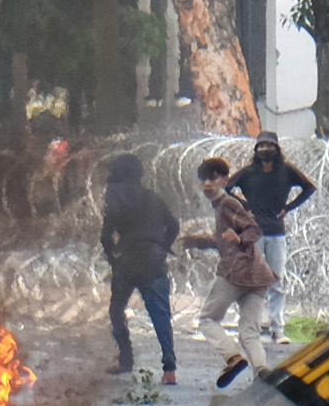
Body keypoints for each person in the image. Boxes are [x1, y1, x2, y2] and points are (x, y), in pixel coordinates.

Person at [182, 154, 276, 388]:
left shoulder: (227, 203)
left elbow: (254, 230)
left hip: (237, 272)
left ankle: (233, 357)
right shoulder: (222, 205)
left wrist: (240, 238)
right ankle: (263, 372)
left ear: (225, 180)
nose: (207, 184)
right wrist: (201, 241)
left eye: (213, 179)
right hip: (258, 275)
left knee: (207, 319)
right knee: (249, 332)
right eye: (204, 179)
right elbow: (228, 238)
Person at [221, 133, 318, 344]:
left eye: (269, 146)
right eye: (261, 146)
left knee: (276, 281)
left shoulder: (286, 171)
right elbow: (226, 188)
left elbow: (310, 187)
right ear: (256, 150)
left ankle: (277, 330)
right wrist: (245, 208)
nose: (265, 150)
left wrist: (288, 207)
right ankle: (250, 329)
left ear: (277, 149)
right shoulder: (249, 173)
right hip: (253, 233)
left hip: (276, 232)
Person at [101, 151, 180, 381]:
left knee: (117, 311)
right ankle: (169, 369)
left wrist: (113, 257)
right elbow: (173, 225)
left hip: (127, 262)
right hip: (154, 261)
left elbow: (105, 235)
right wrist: (162, 246)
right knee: (160, 315)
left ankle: (126, 360)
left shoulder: (115, 196)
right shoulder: (152, 197)